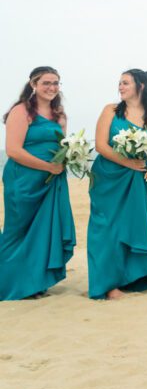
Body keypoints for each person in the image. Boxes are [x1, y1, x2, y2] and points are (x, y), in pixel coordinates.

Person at [87, 69, 147, 300]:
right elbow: (101, 146)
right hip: (108, 177)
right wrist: (128, 162)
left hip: (138, 179)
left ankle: (132, 277)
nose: (120, 87)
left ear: (140, 86)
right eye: (119, 83)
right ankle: (107, 284)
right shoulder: (110, 111)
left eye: (125, 83)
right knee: (105, 227)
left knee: (131, 225)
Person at [0, 67, 76, 300]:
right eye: (46, 83)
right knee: (18, 230)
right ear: (33, 84)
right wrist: (47, 167)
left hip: (50, 181)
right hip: (23, 180)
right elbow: (13, 150)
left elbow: (63, 146)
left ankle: (33, 282)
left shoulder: (60, 115)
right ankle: (8, 283)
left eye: (56, 83)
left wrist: (70, 158)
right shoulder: (21, 111)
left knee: (44, 230)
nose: (52, 87)